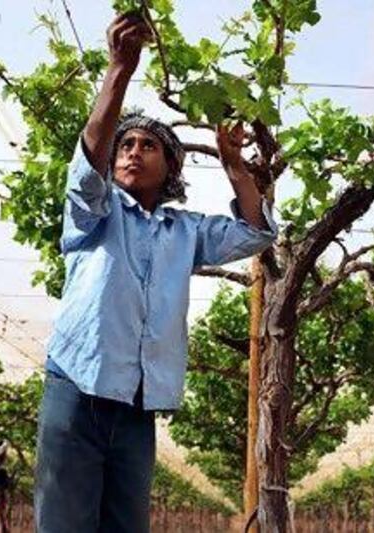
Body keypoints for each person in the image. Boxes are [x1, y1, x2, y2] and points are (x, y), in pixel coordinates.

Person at [34, 10, 278, 533]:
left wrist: (234, 165)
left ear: (171, 167)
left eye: (148, 146)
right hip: (77, 390)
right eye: (126, 144)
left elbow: (256, 232)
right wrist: (118, 71)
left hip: (138, 406)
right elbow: (86, 166)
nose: (133, 152)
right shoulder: (96, 211)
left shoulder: (183, 230)